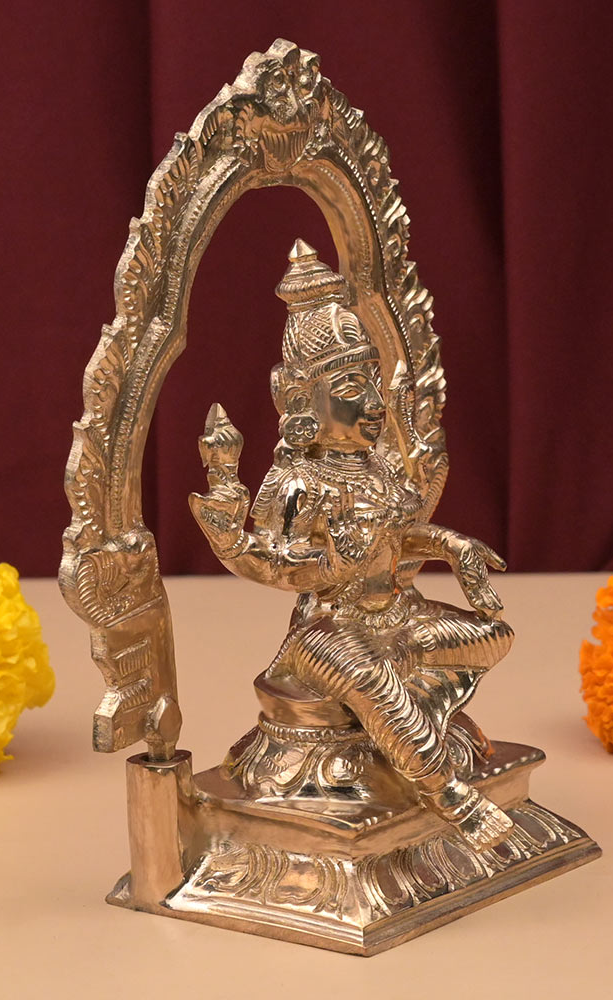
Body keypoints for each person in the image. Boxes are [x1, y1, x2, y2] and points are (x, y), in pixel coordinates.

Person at [189, 240, 514, 850]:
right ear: (299, 399)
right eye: (349, 385)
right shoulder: (298, 481)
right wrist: (258, 542)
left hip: (394, 620)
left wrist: (452, 545)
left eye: (371, 383)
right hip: (325, 632)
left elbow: (397, 537)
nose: (371, 402)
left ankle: (409, 723)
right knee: (376, 688)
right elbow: (273, 564)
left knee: (493, 636)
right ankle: (449, 793)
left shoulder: (378, 469)